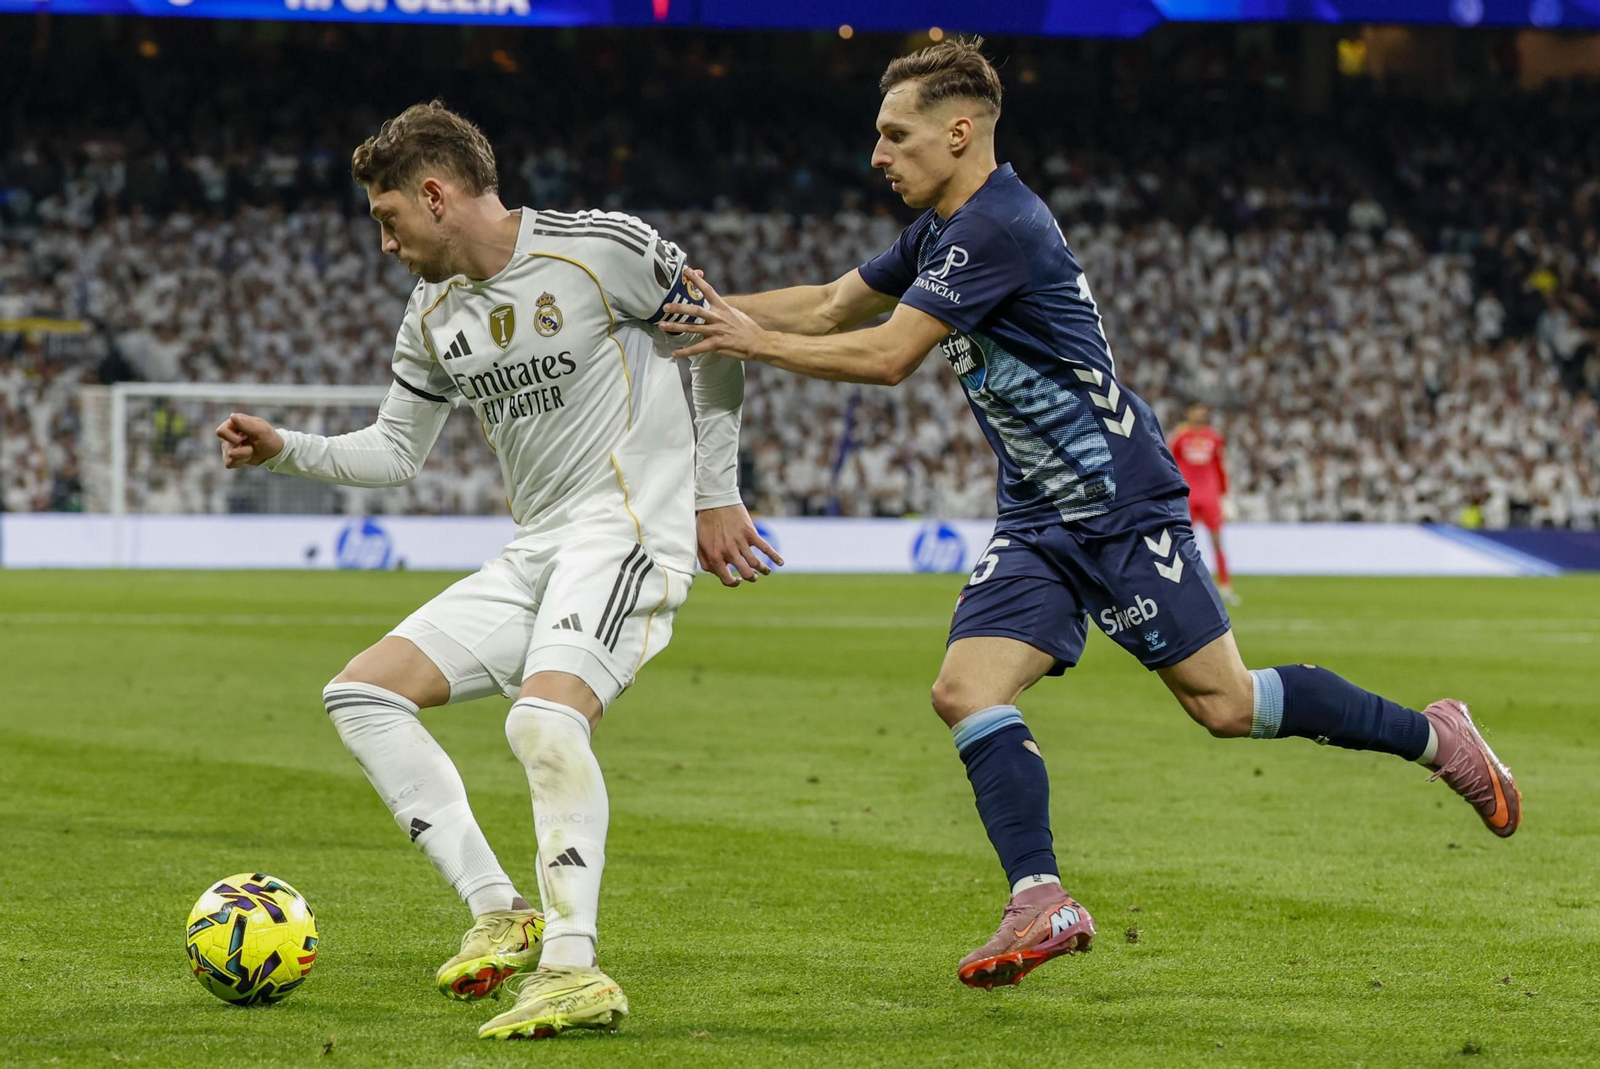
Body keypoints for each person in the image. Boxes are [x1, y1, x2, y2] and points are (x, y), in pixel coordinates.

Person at [660, 38, 1520, 991]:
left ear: (958, 133)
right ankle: (1041, 896)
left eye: (894, 135)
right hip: (1039, 514)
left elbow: (887, 355)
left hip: (1119, 502)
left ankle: (1439, 737)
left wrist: (750, 341)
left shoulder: (997, 227)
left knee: (1227, 706)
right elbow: (829, 304)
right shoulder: (941, 230)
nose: (877, 154)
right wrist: (689, 309)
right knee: (964, 689)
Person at [215, 100, 778, 1040]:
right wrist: (285, 448)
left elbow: (718, 339)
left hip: (629, 527)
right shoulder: (430, 314)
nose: (386, 243)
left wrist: (715, 492)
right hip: (540, 546)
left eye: (388, 218)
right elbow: (397, 451)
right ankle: (499, 907)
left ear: (436, 194)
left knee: (544, 719)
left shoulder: (603, 247)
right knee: (360, 695)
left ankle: (572, 964)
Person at [1168, 402, 1238, 604]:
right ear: (1188, 413)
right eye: (1196, 411)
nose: (1199, 415)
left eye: (1202, 412)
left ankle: (1225, 586)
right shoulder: (1180, 436)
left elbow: (1220, 466)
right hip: (1187, 495)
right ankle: (1180, 585)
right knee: (1182, 542)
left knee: (1217, 541)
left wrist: (1224, 495)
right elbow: (1170, 463)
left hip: (1209, 495)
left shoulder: (1214, 438)